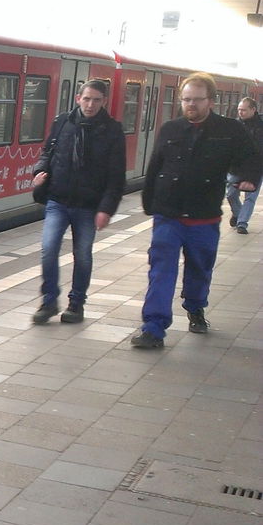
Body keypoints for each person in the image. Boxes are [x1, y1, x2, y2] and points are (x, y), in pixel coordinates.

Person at [131, 73, 261, 349]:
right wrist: (149, 201)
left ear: (210, 101)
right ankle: (153, 327)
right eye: (186, 99)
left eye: (197, 100)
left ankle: (195, 306)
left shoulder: (229, 130)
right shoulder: (170, 129)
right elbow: (155, 165)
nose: (191, 104)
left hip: (204, 216)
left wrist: (249, 178)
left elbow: (251, 158)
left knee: (200, 268)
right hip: (168, 215)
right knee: (161, 270)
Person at [28, 79, 126, 324]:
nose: (90, 105)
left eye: (96, 100)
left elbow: (116, 175)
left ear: (104, 102)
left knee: (82, 254)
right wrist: (39, 172)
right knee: (48, 249)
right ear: (78, 98)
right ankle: (49, 301)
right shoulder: (62, 122)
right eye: (87, 99)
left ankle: (76, 303)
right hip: (58, 199)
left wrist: (106, 209)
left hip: (88, 205)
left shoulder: (112, 130)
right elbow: (47, 152)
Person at [227, 96, 262, 234]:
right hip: (237, 167)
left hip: (256, 167)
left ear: (253, 109)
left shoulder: (260, 126)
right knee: (230, 194)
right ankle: (238, 213)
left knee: (250, 197)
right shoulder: (235, 125)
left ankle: (242, 223)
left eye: (244, 110)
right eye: (239, 110)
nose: (240, 112)